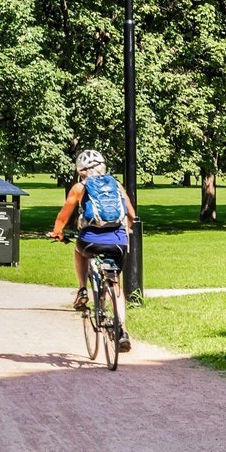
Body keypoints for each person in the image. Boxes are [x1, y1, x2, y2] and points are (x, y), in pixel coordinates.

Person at [50, 149, 136, 353]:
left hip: (90, 240)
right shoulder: (116, 184)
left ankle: (82, 290)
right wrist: (126, 230)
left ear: (81, 172)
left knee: (79, 250)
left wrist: (57, 232)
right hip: (118, 242)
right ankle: (123, 330)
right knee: (116, 284)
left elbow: (64, 215)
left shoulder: (80, 187)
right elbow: (131, 214)